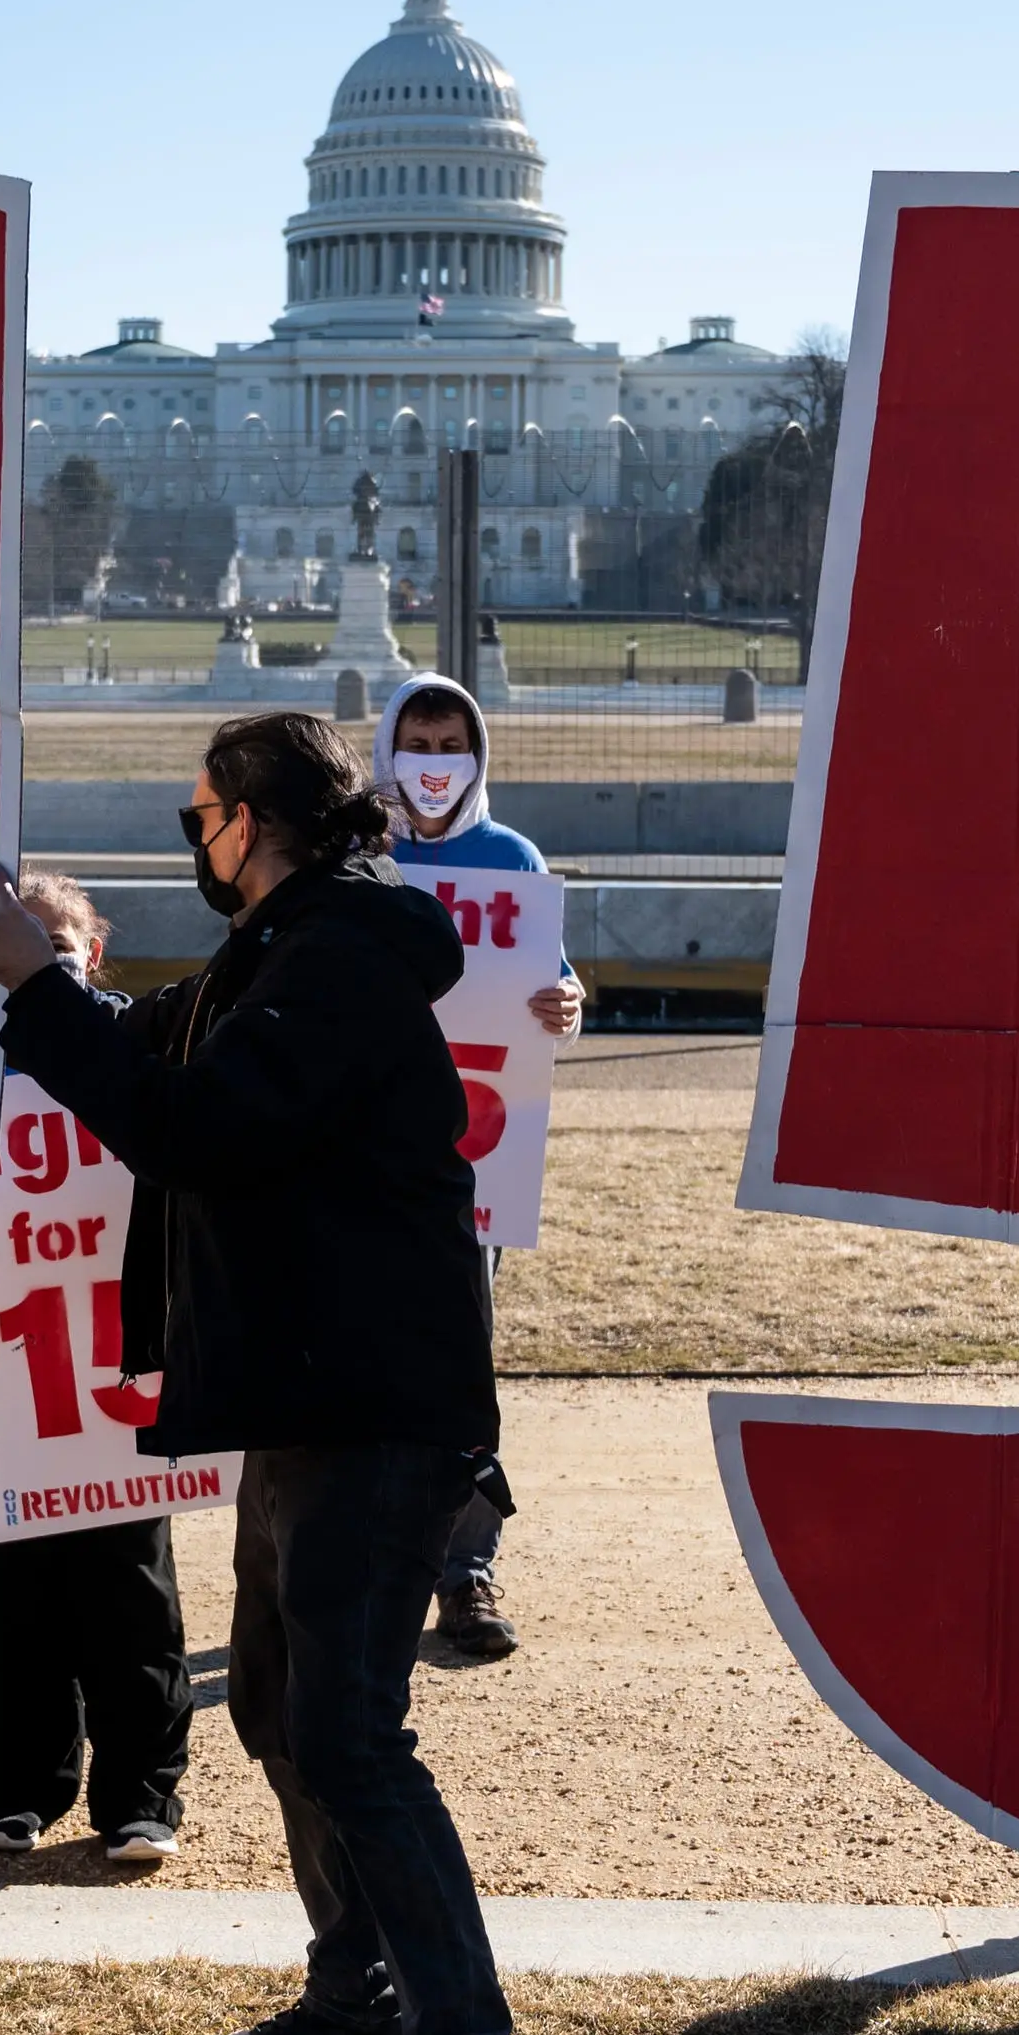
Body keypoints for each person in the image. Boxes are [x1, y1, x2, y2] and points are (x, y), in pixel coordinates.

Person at [0, 710, 562, 2035]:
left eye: (197, 813)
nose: (191, 838)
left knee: (352, 1738)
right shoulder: (284, 952)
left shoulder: (347, 948)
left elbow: (201, 1123)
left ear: (247, 818)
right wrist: (55, 985)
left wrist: (42, 995)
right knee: (287, 1714)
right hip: (317, 1400)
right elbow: (162, 1037)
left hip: (378, 1409)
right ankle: (354, 1999)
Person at [0, 873, 196, 1869]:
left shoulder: (145, 1046)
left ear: (93, 953)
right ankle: (20, 1791)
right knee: (15, 1599)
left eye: (58, 940)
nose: (41, 955)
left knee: (130, 1596)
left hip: (117, 1373)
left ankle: (142, 1798)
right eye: (22, 939)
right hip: (10, 1378)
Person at [374, 671, 583, 1663]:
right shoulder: (356, 854)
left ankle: (464, 1572)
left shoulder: (510, 857)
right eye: (417, 741)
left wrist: (565, 1007)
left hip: (469, 1167)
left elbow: (550, 979)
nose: (433, 762)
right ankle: (363, 1567)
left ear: (476, 755)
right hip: (355, 1161)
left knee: (460, 1366)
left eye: (451, 743)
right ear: (388, 747)